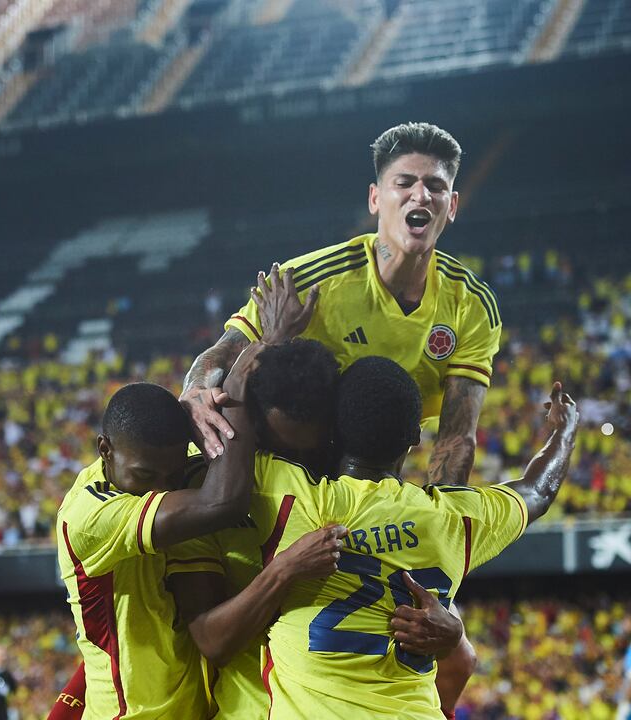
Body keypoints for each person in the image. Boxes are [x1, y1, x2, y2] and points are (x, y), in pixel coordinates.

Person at [181, 122, 502, 709]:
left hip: (374, 491)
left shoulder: (470, 305)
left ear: (453, 205)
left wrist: (434, 562)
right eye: (405, 182)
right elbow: (219, 358)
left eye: (435, 186)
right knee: (223, 647)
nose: (420, 196)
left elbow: (456, 439)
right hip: (279, 488)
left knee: (456, 657)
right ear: (376, 198)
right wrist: (196, 388)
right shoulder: (314, 279)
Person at [180, 357, 578, 718]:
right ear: (415, 439)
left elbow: (228, 443)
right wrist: (565, 431)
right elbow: (537, 492)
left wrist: (253, 353)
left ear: (333, 431)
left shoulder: (295, 501)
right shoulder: (453, 518)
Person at [54, 283, 337, 719]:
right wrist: (256, 355)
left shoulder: (164, 474)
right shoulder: (91, 515)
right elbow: (221, 503)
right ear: (104, 449)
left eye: (171, 475)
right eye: (146, 478)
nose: (163, 489)